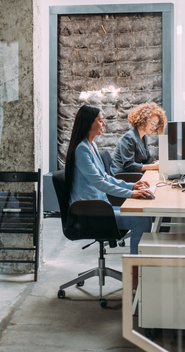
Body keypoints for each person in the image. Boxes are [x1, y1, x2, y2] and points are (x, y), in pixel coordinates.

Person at [65, 104, 152, 255]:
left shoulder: (91, 145)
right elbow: (99, 183)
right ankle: (136, 270)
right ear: (89, 123)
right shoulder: (82, 149)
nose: (103, 123)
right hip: (89, 211)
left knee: (144, 214)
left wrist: (131, 186)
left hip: (100, 206)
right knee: (141, 220)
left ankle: (138, 265)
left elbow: (104, 177)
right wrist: (130, 194)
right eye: (100, 120)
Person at [110, 102, 167, 175]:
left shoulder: (143, 137)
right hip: (122, 176)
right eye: (153, 123)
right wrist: (153, 166)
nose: (154, 127)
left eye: (156, 125)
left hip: (133, 174)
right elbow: (129, 166)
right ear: (143, 119)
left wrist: (157, 162)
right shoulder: (128, 138)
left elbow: (147, 158)